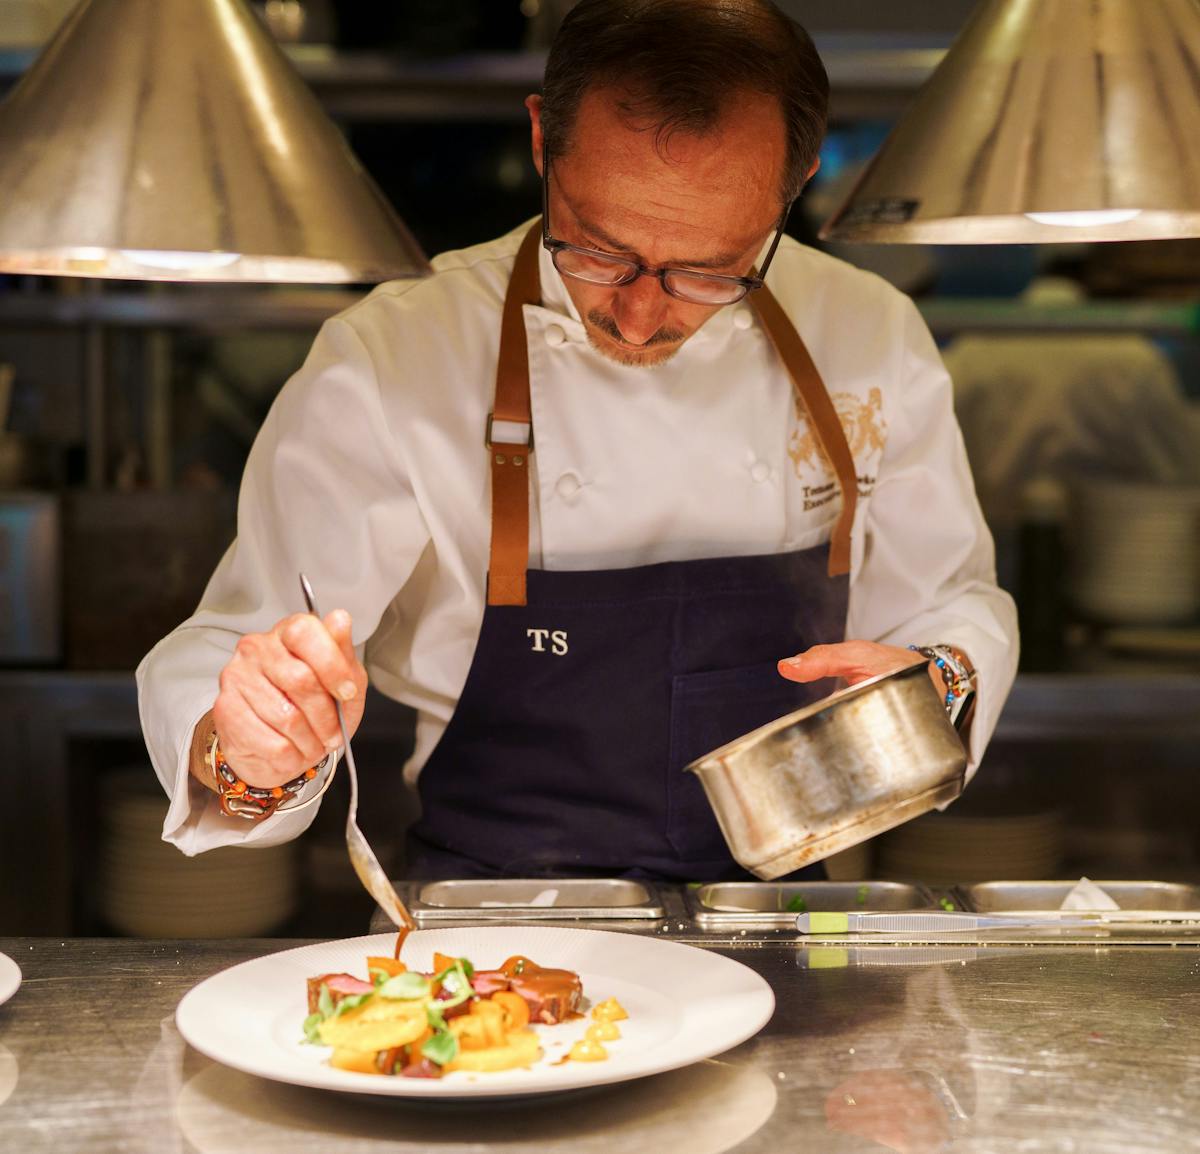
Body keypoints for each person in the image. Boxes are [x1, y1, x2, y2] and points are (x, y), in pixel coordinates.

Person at [138, 0, 1017, 880]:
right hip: (489, 929)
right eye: (597, 251)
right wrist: (249, 745)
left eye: (710, 272)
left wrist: (937, 677)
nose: (639, 317)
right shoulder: (396, 357)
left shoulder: (868, 333)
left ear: (793, 187)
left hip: (786, 923)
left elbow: (949, 599)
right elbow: (247, 649)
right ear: (539, 141)